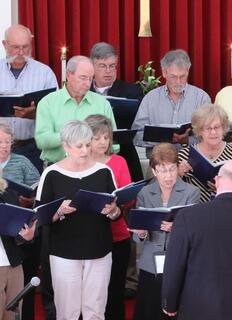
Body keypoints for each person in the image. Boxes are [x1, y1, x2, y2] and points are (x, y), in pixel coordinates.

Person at [162, 160, 232, 320]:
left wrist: (170, 303)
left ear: (217, 181)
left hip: (200, 307)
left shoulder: (189, 216)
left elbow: (174, 266)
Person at [35, 120, 121, 320]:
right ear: (66, 146)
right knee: (67, 312)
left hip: (99, 250)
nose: (85, 151)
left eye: (88, 145)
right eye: (79, 146)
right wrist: (59, 211)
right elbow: (39, 217)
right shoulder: (52, 173)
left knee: (96, 311)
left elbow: (117, 213)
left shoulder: (103, 171)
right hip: (64, 252)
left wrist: (113, 210)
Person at [130, 143, 200, 320]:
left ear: (178, 168)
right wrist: (141, 233)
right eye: (162, 170)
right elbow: (139, 238)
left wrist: (177, 229)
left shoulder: (192, 192)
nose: (168, 175)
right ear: (154, 171)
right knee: (150, 311)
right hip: (151, 262)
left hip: (180, 260)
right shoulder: (145, 193)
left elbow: (196, 231)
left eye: (172, 169)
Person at [85, 114, 132, 320]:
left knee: (114, 293)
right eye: (97, 138)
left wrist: (117, 203)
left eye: (106, 137)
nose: (103, 142)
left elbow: (128, 199)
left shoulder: (119, 161)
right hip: (89, 236)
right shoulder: (81, 162)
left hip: (117, 235)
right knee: (90, 295)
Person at [35, 55, 119, 165]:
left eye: (90, 78)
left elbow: (115, 144)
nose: (87, 84)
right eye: (83, 78)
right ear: (69, 75)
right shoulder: (48, 103)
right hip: (57, 168)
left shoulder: (102, 103)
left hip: (95, 167)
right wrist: (73, 136)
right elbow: (42, 141)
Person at [0, 24, 58, 173]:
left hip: (31, 147)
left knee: (29, 193)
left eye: (25, 47)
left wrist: (36, 114)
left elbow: (57, 113)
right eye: (15, 47)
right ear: (4, 44)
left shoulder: (45, 73)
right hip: (0, 146)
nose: (21, 52)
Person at [132, 49, 211, 157]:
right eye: (173, 77)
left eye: (182, 76)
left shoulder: (201, 98)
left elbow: (211, 134)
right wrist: (163, 139)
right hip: (159, 165)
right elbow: (136, 135)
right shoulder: (150, 99)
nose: (178, 82)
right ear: (164, 72)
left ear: (188, 71)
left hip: (193, 165)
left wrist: (187, 140)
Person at [0, 121, 40, 320]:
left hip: (14, 254)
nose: (4, 146)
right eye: (0, 142)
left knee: (14, 311)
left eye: (7, 142)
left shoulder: (20, 164)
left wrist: (28, 236)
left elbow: (37, 188)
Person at [90, 42, 144, 182]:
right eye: (103, 66)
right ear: (92, 67)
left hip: (124, 154)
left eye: (112, 66)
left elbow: (139, 123)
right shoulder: (84, 92)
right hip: (89, 157)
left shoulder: (131, 92)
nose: (108, 71)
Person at [178, 104, 232, 202]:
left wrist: (224, 189)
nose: (213, 132)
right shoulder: (185, 154)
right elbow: (172, 191)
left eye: (217, 127)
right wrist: (178, 175)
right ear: (199, 130)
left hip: (227, 208)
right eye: (208, 128)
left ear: (224, 128)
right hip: (195, 210)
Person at [0, 174, 37, 320]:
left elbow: (17, 228)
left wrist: (27, 236)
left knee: (14, 315)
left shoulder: (7, 192)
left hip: (14, 263)